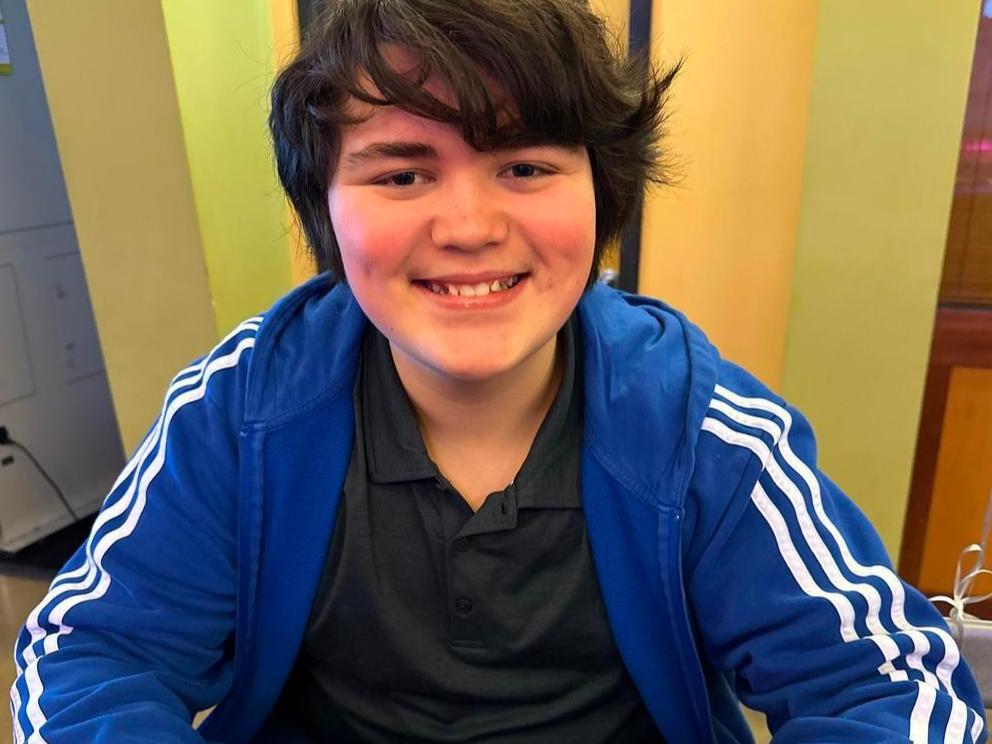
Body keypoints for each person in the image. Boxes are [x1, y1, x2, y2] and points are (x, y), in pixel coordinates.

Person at [9, 0, 987, 742]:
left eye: (523, 167)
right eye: (401, 173)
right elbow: (92, 655)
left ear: (600, 195)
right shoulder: (238, 413)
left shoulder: (703, 430)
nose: (470, 228)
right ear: (324, 211)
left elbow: (891, 689)